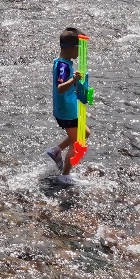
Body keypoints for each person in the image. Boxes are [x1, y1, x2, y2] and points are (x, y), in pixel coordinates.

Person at [46, 27, 90, 185]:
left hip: (69, 108)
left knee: (84, 133)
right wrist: (73, 80)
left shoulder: (64, 63)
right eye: (80, 51)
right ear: (74, 48)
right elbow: (61, 87)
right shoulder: (63, 67)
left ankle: (56, 150)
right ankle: (65, 175)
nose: (80, 55)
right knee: (78, 143)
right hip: (66, 110)